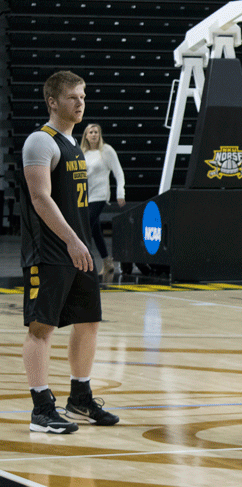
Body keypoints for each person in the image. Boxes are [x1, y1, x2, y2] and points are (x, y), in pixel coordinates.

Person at [20, 70, 120, 433]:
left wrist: (81, 243)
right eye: (72, 97)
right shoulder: (40, 141)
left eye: (83, 96)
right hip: (50, 250)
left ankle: (80, 398)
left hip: (77, 249)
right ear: (53, 102)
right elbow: (40, 198)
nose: (80, 103)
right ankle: (41, 408)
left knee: (89, 321)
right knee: (41, 328)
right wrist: (71, 240)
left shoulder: (74, 144)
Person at [80, 123, 125, 279]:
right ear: (85, 135)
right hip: (86, 195)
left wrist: (120, 193)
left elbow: (118, 172)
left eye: (96, 132)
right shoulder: (82, 153)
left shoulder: (106, 150)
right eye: (90, 132)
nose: (93, 134)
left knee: (86, 224)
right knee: (95, 231)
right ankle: (107, 262)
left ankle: (84, 263)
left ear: (99, 135)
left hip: (100, 195)